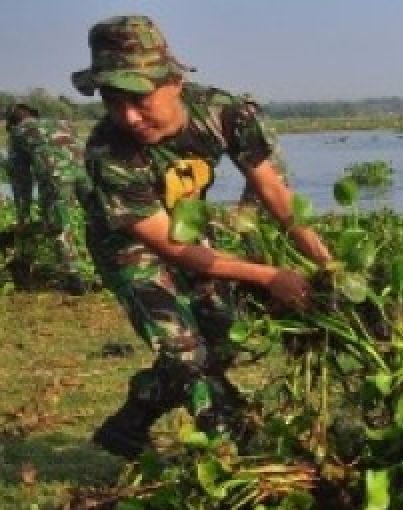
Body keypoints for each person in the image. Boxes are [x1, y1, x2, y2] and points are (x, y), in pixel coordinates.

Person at [71, 15, 330, 459]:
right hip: (130, 245)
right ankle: (235, 447)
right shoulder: (107, 153)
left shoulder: (222, 112)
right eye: (114, 102)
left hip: (191, 229)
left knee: (226, 333)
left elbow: (272, 189)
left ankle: (132, 418)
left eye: (139, 98)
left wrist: (326, 265)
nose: (129, 116)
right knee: (188, 355)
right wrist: (269, 276)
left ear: (172, 80)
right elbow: (167, 246)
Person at [5, 103, 93, 293]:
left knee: (59, 226)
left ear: (12, 123)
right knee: (99, 216)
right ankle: (115, 265)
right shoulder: (61, 123)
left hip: (56, 177)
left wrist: (23, 213)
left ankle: (73, 278)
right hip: (84, 173)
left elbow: (21, 179)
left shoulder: (18, 133)